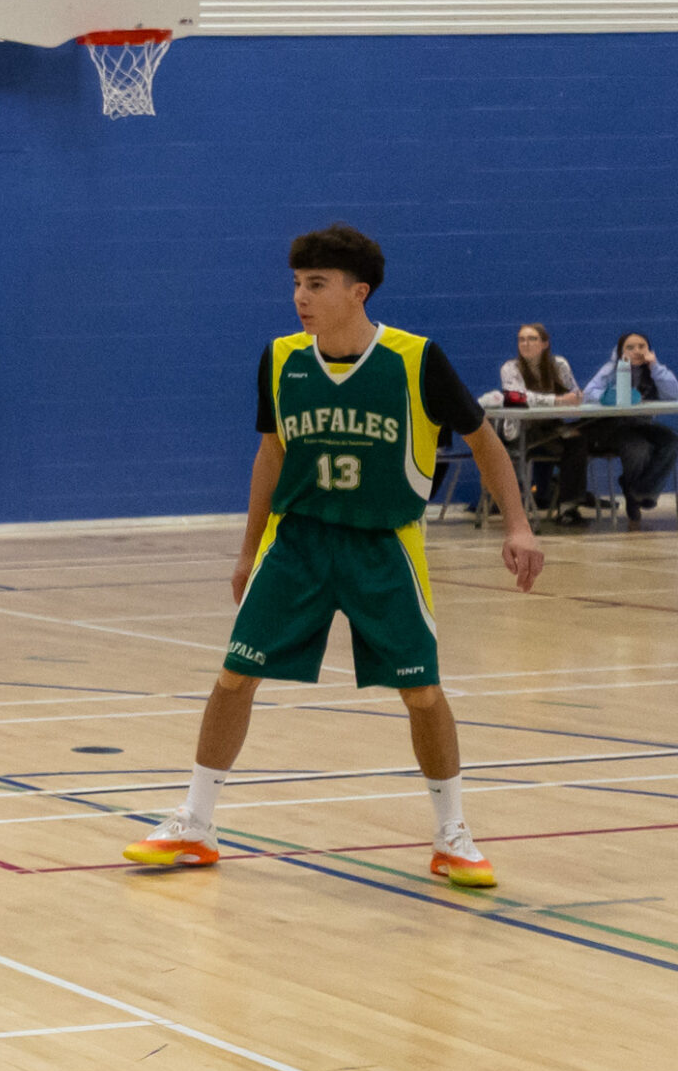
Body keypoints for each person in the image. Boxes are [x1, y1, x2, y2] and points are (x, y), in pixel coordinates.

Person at [122, 223, 541, 889]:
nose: (300, 297)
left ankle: (451, 834)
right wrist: (248, 550)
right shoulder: (281, 359)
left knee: (422, 692)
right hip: (298, 543)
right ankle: (196, 823)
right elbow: (271, 453)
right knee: (234, 677)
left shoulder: (415, 359)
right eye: (296, 283)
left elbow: (484, 441)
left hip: (384, 544)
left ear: (358, 291)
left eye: (315, 284)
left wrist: (517, 526)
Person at [581, 332, 678, 525]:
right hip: (615, 427)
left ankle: (640, 490)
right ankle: (638, 497)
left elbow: (674, 394)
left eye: (642, 347)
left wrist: (655, 367)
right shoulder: (611, 369)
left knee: (671, 440)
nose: (637, 351)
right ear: (621, 352)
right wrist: (611, 396)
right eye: (630, 347)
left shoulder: (654, 370)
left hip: (642, 424)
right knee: (638, 449)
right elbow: (588, 393)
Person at [499, 322, 589, 522]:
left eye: (532, 339)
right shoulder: (510, 368)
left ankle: (568, 507)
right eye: (521, 340)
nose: (526, 343)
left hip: (552, 427)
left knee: (578, 441)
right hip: (523, 431)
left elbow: (573, 393)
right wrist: (558, 400)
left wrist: (576, 397)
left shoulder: (559, 365)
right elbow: (518, 397)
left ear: (545, 344)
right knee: (560, 442)